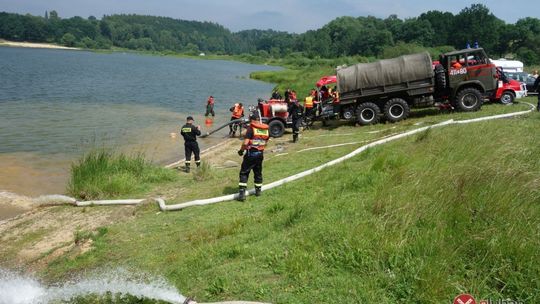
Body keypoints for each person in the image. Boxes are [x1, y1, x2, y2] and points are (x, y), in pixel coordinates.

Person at [237, 113, 270, 201]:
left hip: (250, 154)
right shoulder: (265, 129)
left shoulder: (251, 128)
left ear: (252, 120)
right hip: (260, 154)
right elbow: (266, 142)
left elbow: (245, 143)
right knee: (258, 172)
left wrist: (241, 151)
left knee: (244, 172)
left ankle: (242, 194)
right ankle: (258, 191)